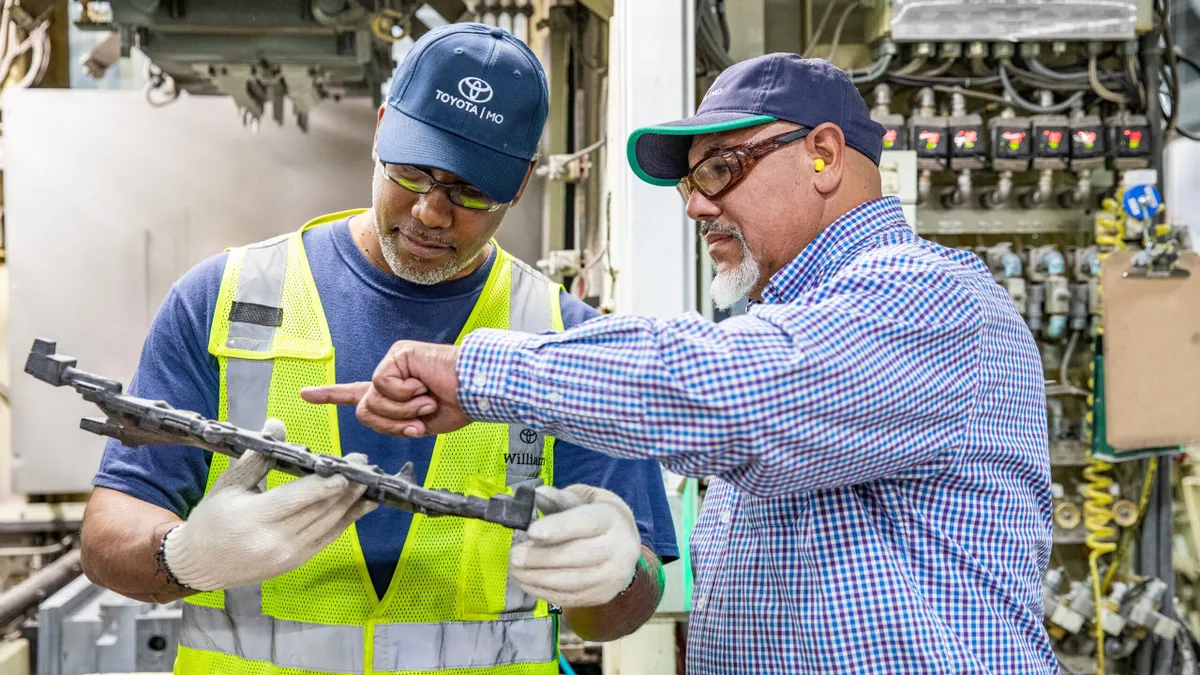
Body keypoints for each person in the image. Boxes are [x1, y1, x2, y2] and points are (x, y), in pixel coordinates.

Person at [302, 54, 1058, 674]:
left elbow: (736, 392)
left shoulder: (930, 300)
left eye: (720, 170)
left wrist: (476, 374)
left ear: (824, 153)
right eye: (689, 183)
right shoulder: (792, 325)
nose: (694, 206)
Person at [78, 22, 678, 675]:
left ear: (523, 180)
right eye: (413, 171)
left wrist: (612, 573)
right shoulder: (220, 301)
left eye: (470, 190)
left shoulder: (567, 340)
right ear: (381, 128)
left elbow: (629, 602)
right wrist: (183, 555)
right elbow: (109, 530)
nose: (430, 212)